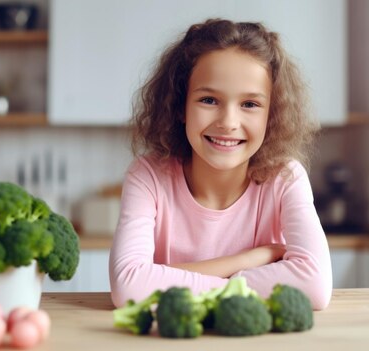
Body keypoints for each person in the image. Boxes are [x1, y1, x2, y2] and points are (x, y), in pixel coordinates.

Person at [108, 19, 332, 310]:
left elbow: (314, 287)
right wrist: (248, 262)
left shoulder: (285, 178)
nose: (228, 123)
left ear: (271, 114)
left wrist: (171, 279)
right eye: (209, 99)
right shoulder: (148, 176)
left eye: (250, 104)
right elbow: (128, 286)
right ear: (180, 107)